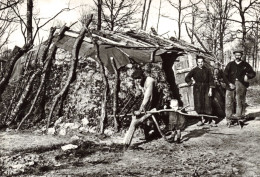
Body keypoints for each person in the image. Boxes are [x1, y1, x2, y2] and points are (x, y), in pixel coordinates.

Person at [223, 50, 256, 124]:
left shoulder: (245, 64)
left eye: (239, 55)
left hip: (241, 85)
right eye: (236, 55)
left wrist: (247, 76)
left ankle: (239, 117)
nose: (238, 57)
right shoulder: (230, 64)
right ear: (234, 55)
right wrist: (228, 83)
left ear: (241, 56)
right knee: (229, 102)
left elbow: (253, 73)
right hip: (230, 85)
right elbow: (224, 75)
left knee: (240, 101)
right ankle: (229, 118)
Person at [131, 68, 161, 140]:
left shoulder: (150, 81)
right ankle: (147, 134)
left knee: (151, 114)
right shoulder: (140, 82)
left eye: (139, 78)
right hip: (150, 98)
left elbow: (147, 96)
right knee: (145, 114)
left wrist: (140, 109)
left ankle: (157, 133)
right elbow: (142, 91)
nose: (137, 80)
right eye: (136, 79)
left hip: (157, 98)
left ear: (142, 77)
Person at [185, 56, 215, 126]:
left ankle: (210, 120)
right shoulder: (194, 70)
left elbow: (211, 80)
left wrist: (210, 90)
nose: (200, 63)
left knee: (208, 103)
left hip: (206, 88)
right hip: (197, 89)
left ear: (203, 62)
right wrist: (192, 82)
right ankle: (200, 120)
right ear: (197, 62)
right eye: (199, 62)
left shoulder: (208, 70)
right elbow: (187, 78)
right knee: (198, 103)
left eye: (201, 62)